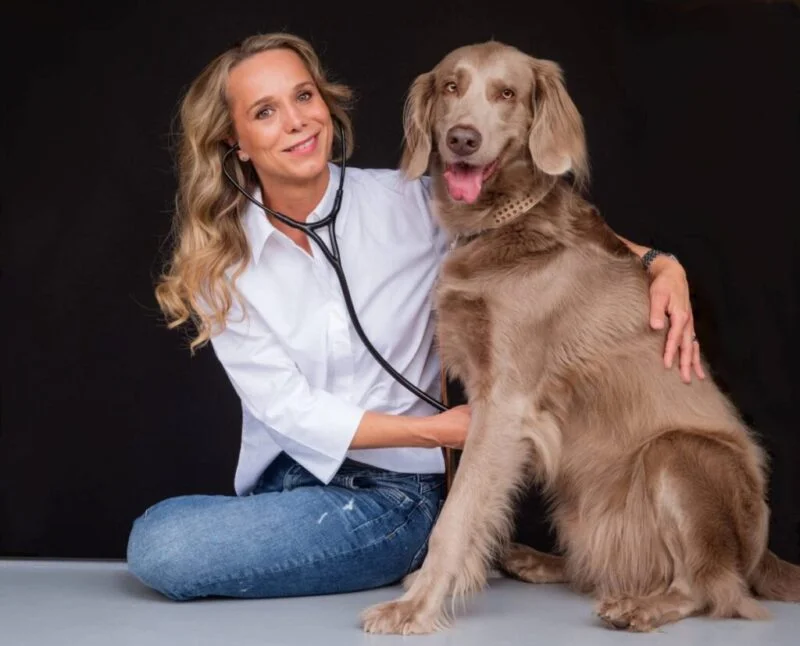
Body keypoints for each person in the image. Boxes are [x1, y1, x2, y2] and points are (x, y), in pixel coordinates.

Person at [126, 32, 703, 601]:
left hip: (393, 494)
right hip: (288, 477)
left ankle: (414, 547)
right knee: (162, 527)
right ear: (236, 140)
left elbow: (553, 225)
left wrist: (657, 262)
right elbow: (288, 409)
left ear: (326, 105)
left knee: (163, 547)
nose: (296, 121)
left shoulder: (413, 205)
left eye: (304, 96)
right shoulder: (222, 262)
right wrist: (442, 430)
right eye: (265, 111)